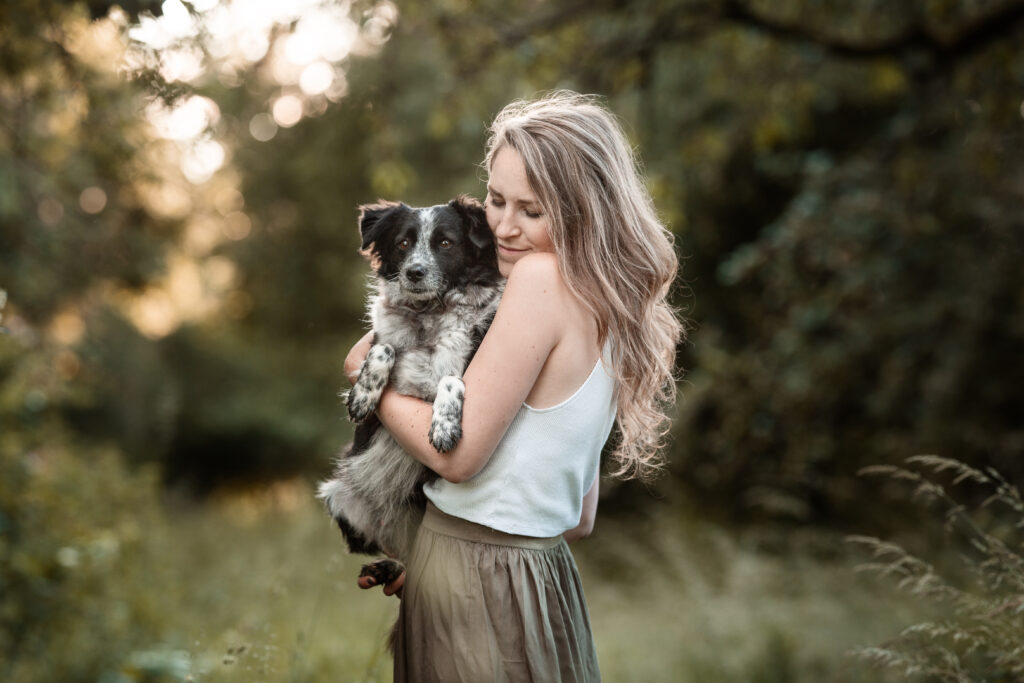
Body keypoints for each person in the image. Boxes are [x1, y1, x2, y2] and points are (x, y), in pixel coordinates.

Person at [344, 90, 681, 682]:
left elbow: (463, 455)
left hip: (475, 577)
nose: (501, 226)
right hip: (544, 578)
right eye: (497, 200)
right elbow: (578, 514)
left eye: (532, 211)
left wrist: (366, 379)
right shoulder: (611, 304)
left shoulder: (537, 279)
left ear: (582, 211)